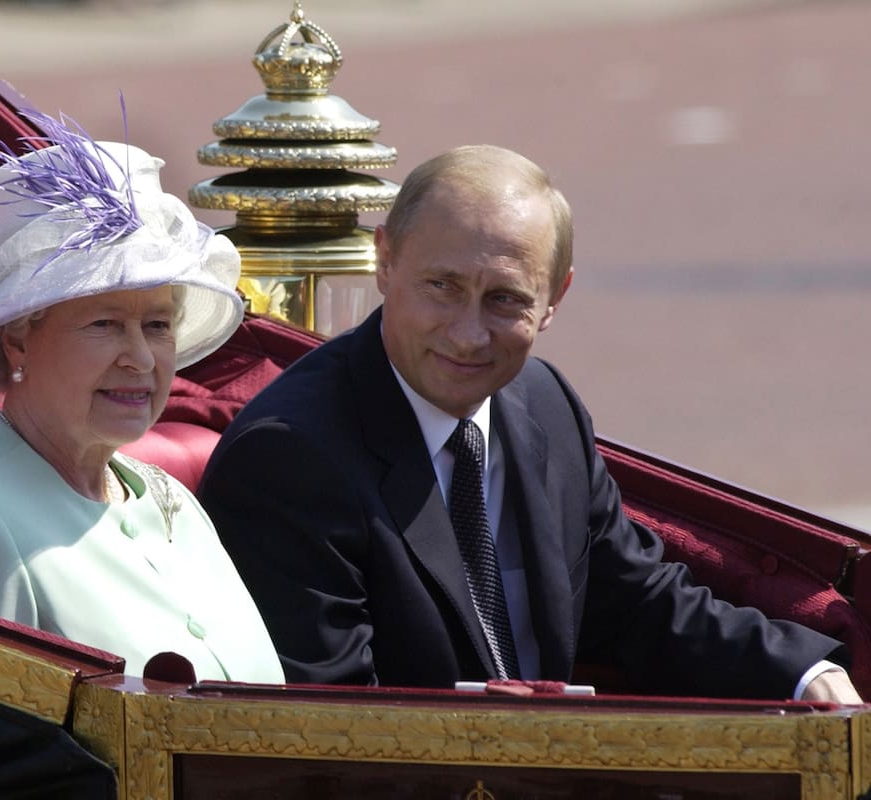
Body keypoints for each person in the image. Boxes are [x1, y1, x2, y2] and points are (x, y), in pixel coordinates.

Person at [197, 144, 861, 702]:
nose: (468, 334)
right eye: (442, 287)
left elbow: (635, 604)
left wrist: (806, 675)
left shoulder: (544, 403)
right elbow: (333, 720)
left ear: (553, 299)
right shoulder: (290, 458)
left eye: (505, 300)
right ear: (385, 260)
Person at [0, 110, 284, 685]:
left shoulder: (170, 501)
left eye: (157, 325)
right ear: (17, 340)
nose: (141, 358)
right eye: (104, 324)